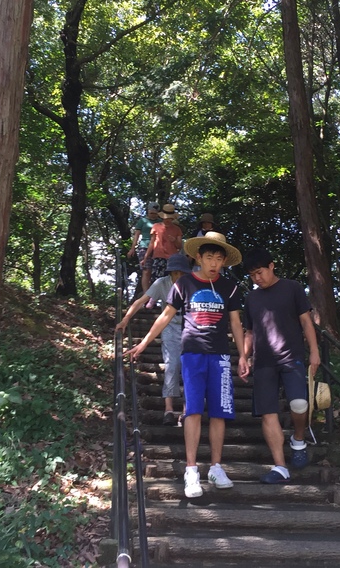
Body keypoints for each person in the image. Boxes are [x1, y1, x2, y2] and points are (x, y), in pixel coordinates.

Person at [129, 231, 249, 498]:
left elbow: (235, 323)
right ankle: (191, 470)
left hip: (220, 356)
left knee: (219, 413)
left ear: (224, 261)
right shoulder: (184, 283)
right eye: (209, 257)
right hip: (192, 354)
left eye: (219, 259)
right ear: (198, 258)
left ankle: (216, 467)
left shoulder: (229, 287)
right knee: (192, 410)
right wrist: (144, 343)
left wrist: (242, 355)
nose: (214, 263)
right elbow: (165, 315)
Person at [241, 247, 320, 484]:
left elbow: (306, 322)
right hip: (263, 361)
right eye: (252, 275)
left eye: (260, 272)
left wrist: (314, 351)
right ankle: (280, 466)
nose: (257, 278)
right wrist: (244, 357)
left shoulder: (292, 288)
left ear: (272, 266)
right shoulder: (251, 298)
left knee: (299, 403)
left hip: (291, 356)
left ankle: (298, 439)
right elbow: (249, 332)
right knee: (268, 412)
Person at [116, 252, 191, 424]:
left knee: (189, 368)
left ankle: (187, 410)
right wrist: (125, 320)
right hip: (169, 327)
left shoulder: (191, 284)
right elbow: (140, 301)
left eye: (182, 273)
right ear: (170, 272)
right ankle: (168, 409)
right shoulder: (161, 283)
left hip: (189, 329)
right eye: (175, 273)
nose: (179, 276)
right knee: (172, 365)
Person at [142, 202, 183, 281]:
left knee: (170, 280)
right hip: (158, 257)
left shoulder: (177, 229)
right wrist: (145, 257)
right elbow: (152, 243)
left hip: (172, 258)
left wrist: (174, 241)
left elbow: (179, 246)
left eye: (169, 218)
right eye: (166, 218)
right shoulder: (156, 226)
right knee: (157, 280)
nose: (167, 220)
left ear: (172, 218)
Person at [128, 204, 159, 295]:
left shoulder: (160, 222)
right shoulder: (142, 221)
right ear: (148, 211)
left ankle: (155, 295)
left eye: (155, 213)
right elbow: (136, 235)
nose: (153, 215)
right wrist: (132, 248)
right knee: (146, 271)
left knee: (156, 272)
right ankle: (146, 294)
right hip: (144, 246)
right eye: (151, 213)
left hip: (158, 248)